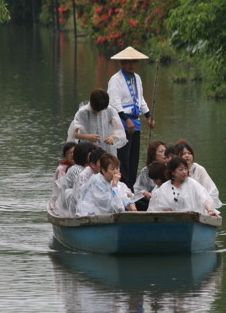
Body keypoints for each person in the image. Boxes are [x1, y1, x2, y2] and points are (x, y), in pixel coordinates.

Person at [107, 46, 155, 189]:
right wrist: (126, 120)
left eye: (134, 62)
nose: (131, 65)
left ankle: (131, 188)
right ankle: (122, 187)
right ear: (121, 63)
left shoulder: (137, 78)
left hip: (135, 122)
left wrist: (148, 116)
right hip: (122, 122)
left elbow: (140, 99)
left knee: (134, 158)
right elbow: (114, 103)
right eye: (128, 62)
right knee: (123, 159)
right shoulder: (115, 79)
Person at [149, 156, 218, 217]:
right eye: (181, 169)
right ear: (173, 172)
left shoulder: (192, 184)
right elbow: (156, 207)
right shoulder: (164, 188)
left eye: (185, 169)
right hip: (170, 220)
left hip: (190, 219)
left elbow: (205, 199)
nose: (184, 172)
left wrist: (209, 211)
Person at [68, 89, 126, 156]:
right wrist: (87, 136)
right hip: (88, 150)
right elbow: (73, 134)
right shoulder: (82, 113)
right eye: (97, 110)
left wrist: (113, 137)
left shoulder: (109, 110)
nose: (99, 112)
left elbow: (119, 130)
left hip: (107, 150)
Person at [174, 140, 221, 209]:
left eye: (189, 153)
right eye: (183, 154)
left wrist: (206, 204)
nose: (187, 156)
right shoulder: (174, 170)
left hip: (201, 204)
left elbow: (211, 190)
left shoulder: (199, 169)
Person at [53, 141, 95, 215]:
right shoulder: (76, 170)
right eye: (92, 152)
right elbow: (82, 192)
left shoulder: (89, 169)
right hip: (71, 210)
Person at [133, 140, 169, 210]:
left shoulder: (169, 168)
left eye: (165, 151)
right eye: (161, 151)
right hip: (149, 199)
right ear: (153, 155)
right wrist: (146, 193)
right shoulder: (146, 170)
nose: (164, 154)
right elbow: (138, 188)